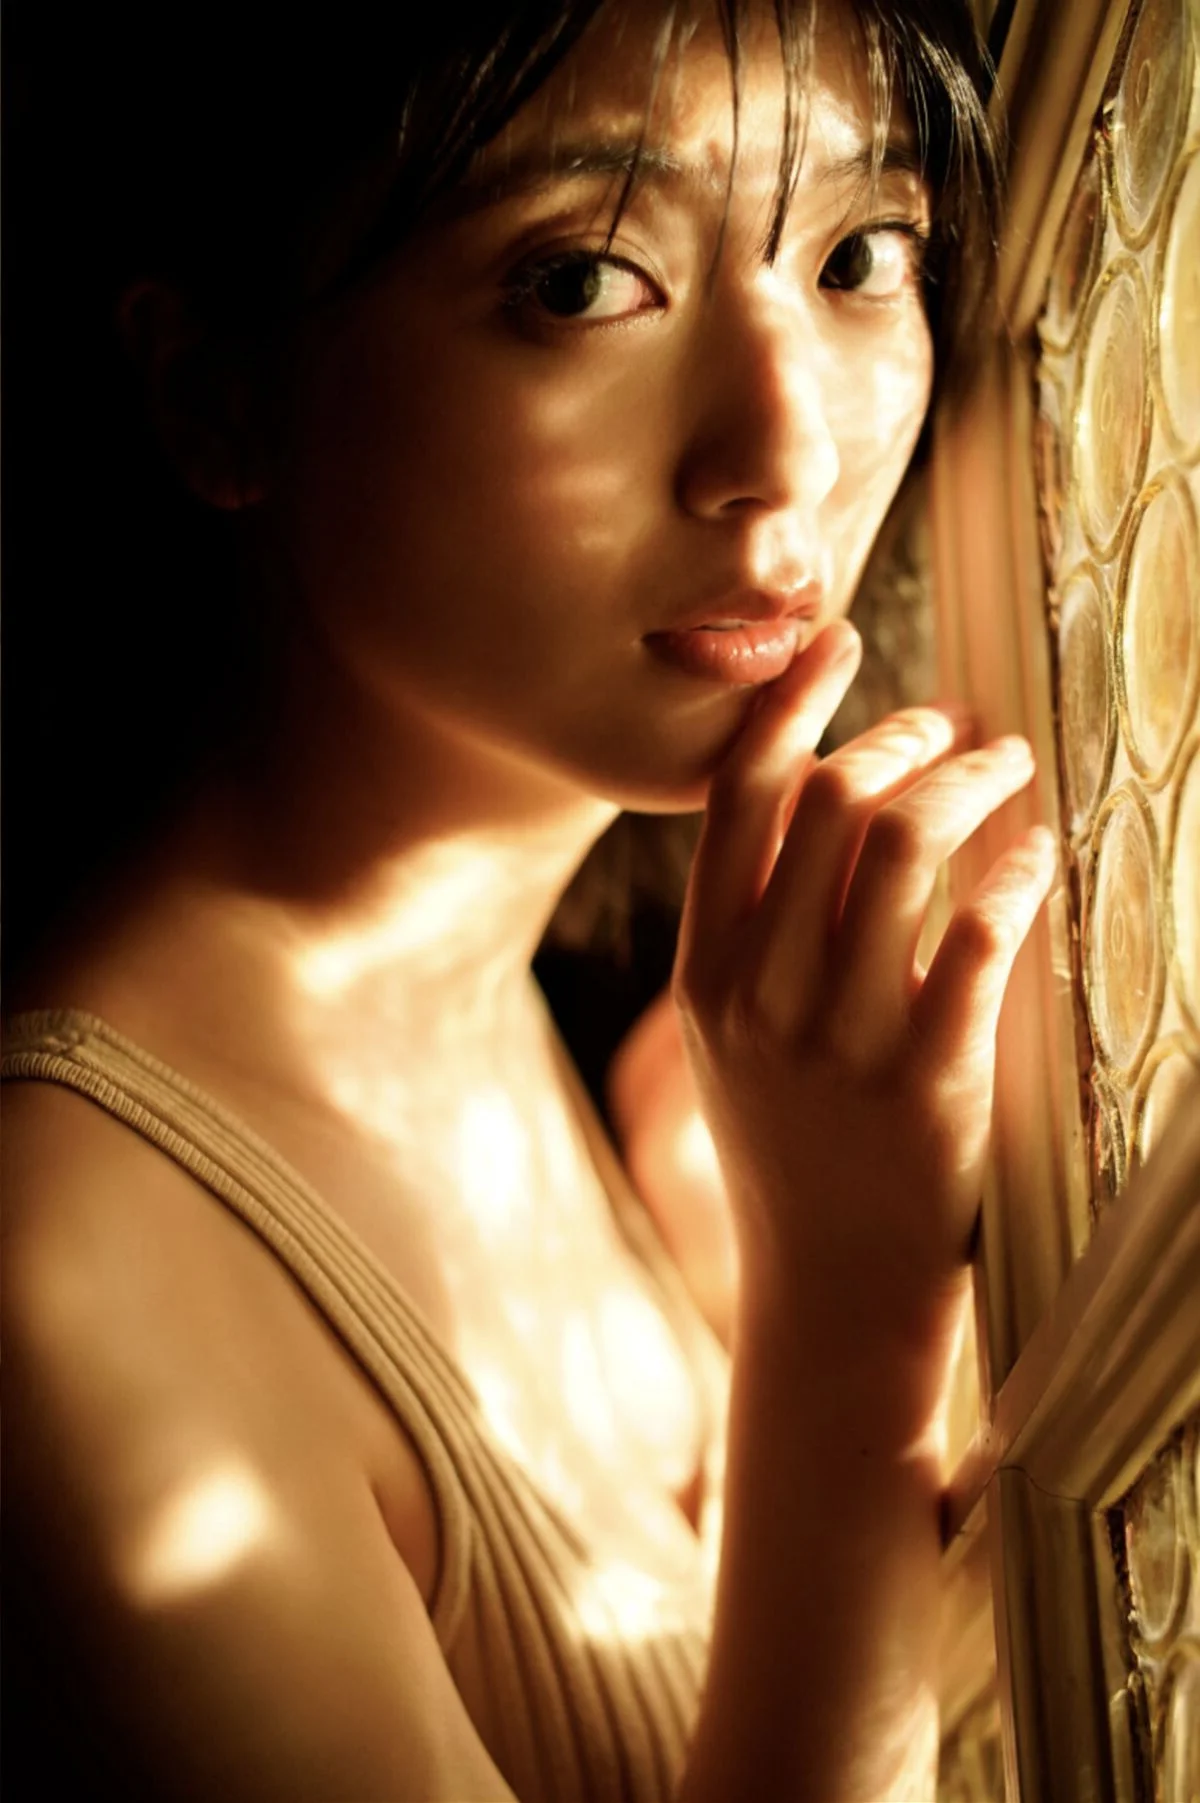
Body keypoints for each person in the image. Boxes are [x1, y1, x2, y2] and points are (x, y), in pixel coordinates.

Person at [2, 2, 1055, 1797]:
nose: (787, 454)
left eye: (860, 256)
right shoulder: (77, 1281)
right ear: (220, 393)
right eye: (581, 282)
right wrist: (847, 1330)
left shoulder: (630, 1066)